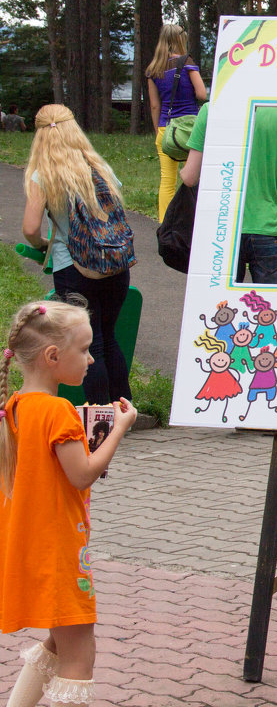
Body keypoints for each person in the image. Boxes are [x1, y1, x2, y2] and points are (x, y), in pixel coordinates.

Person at [0, 300, 138, 707]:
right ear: (53, 356)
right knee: (80, 657)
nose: (92, 359)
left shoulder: (15, 406)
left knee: (59, 644)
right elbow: (82, 473)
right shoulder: (58, 410)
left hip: (29, 546)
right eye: (85, 349)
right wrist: (119, 430)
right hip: (59, 549)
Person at [20, 105, 134, 403]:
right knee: (109, 338)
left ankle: (98, 417)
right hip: (114, 264)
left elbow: (30, 228)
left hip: (74, 269)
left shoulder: (43, 175)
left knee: (90, 346)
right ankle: (123, 410)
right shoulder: (100, 168)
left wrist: (45, 243)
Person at [180, 103, 277, 284]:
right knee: (269, 309)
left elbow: (189, 177)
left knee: (219, 309)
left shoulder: (212, 110)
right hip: (267, 227)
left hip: (221, 228)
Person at [145, 24, 207, 220]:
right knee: (195, 177)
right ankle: (195, 221)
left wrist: (159, 131)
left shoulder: (153, 69)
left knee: (167, 180)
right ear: (181, 40)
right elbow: (202, 93)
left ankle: (165, 224)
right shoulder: (186, 63)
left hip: (166, 128)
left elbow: (155, 106)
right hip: (190, 129)